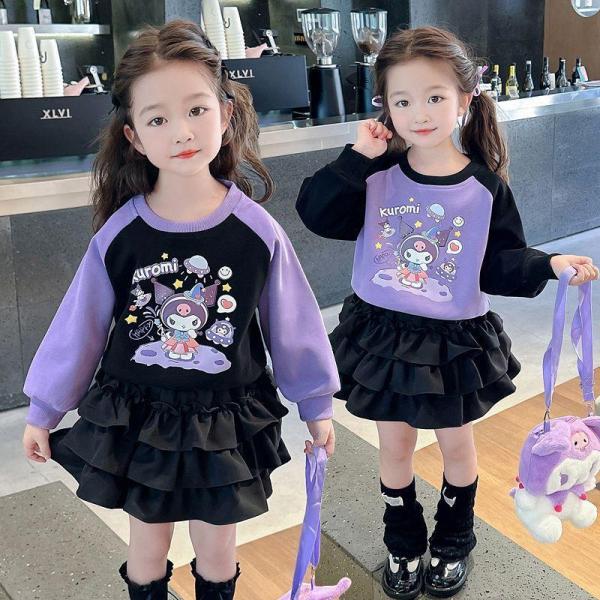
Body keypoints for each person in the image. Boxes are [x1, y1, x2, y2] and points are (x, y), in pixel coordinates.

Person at [22, 19, 338, 600]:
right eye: (158, 119)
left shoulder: (256, 231)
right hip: (140, 418)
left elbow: (293, 324)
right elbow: (79, 326)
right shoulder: (120, 234)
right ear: (134, 137)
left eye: (196, 110)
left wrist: (315, 402)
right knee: (147, 545)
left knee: (218, 548)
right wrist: (45, 407)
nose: (182, 132)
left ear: (226, 113)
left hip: (225, 419)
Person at [296, 26, 599, 600]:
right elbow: (317, 214)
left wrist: (549, 263)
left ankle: (454, 540)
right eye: (402, 100)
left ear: (465, 98)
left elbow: (498, 262)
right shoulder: (374, 173)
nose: (419, 113)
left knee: (456, 445)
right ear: (385, 106)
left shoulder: (483, 187)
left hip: (451, 341)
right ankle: (403, 541)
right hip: (382, 335)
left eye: (435, 97)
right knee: (394, 446)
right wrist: (357, 157)